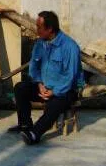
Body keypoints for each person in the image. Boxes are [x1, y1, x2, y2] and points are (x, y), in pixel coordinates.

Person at [9, 11, 84, 145]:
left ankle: (34, 134)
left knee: (55, 103)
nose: (36, 30)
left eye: (39, 27)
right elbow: (34, 67)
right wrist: (39, 84)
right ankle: (25, 125)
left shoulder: (69, 46)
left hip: (66, 89)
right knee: (20, 88)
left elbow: (70, 76)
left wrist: (54, 91)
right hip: (44, 86)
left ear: (50, 29)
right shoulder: (40, 44)